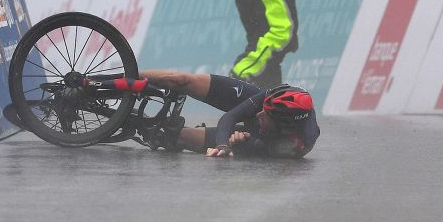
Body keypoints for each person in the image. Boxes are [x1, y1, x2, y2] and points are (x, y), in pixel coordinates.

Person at [137, 69, 319, 158]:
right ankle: (124, 76)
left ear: (282, 125)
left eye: (266, 115)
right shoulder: (277, 98)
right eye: (262, 109)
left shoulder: (292, 144)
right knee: (182, 80)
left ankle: (131, 122)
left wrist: (236, 143)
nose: (258, 114)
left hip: (259, 139)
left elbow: (257, 150)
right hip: (267, 124)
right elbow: (231, 116)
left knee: (177, 137)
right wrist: (222, 144)